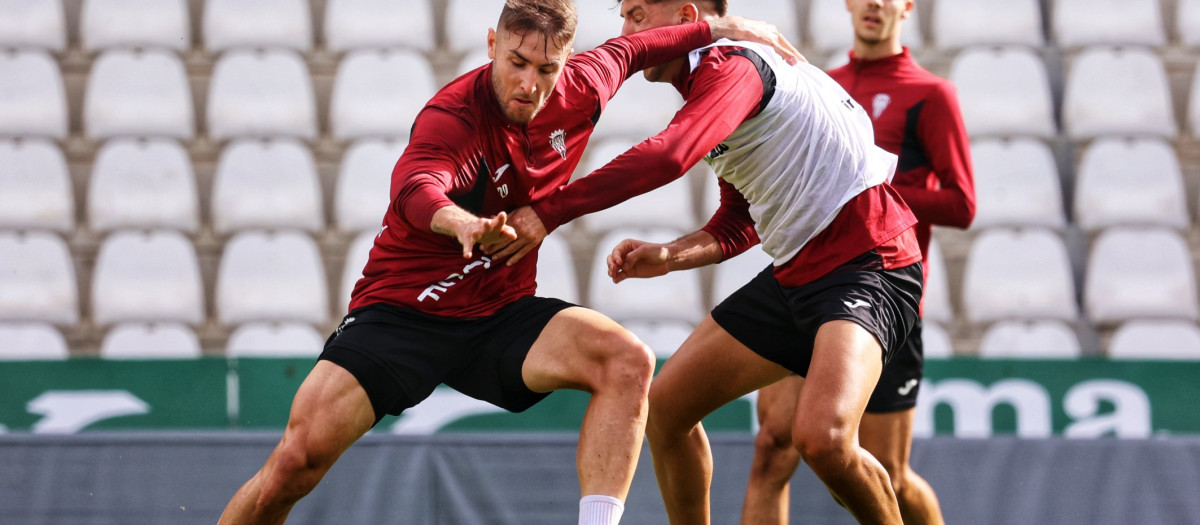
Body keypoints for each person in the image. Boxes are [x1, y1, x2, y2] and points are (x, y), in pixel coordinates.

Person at [215, 1, 801, 524]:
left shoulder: (585, 85)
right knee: (292, 469)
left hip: (500, 313)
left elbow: (645, 43)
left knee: (627, 362)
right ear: (493, 45)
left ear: (567, 62)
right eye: (517, 62)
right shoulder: (456, 116)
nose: (529, 84)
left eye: (547, 70)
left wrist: (729, 27)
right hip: (404, 314)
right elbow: (416, 187)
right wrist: (461, 222)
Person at [486, 1, 922, 523]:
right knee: (666, 409)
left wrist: (549, 211)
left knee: (823, 440)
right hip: (799, 271)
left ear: (687, 14)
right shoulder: (712, 80)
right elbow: (742, 220)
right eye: (624, 16)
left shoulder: (732, 65)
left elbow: (672, 155)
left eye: (639, 14)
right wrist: (671, 256)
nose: (627, 31)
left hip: (871, 263)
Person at [741, 0, 975, 523]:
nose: (874, 3)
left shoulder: (931, 94)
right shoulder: (824, 83)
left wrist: (870, 183)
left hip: (880, 297)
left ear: (907, 6)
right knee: (771, 450)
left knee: (888, 472)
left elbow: (962, 203)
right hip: (806, 284)